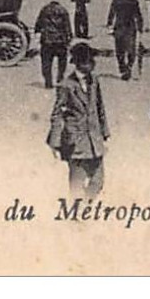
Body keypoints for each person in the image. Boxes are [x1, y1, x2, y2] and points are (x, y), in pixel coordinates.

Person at [47, 42, 108, 198]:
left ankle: (84, 207)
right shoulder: (66, 86)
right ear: (80, 63)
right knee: (76, 184)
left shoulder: (94, 81)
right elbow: (57, 114)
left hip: (94, 140)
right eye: (89, 61)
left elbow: (100, 107)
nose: (93, 64)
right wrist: (55, 141)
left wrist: (104, 132)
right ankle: (77, 213)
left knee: (98, 181)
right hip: (76, 143)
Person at [33, 0, 74, 89]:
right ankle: (59, 79)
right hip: (60, 40)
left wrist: (37, 33)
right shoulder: (63, 10)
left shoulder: (45, 9)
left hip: (47, 40)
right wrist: (69, 39)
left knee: (46, 62)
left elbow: (38, 23)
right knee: (62, 61)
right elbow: (67, 26)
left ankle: (48, 82)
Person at [107, 0, 144, 81]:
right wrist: (140, 27)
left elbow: (111, 14)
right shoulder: (133, 1)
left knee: (119, 50)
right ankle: (129, 67)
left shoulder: (116, 1)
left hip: (119, 27)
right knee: (131, 50)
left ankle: (122, 68)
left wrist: (109, 25)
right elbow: (138, 16)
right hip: (130, 28)